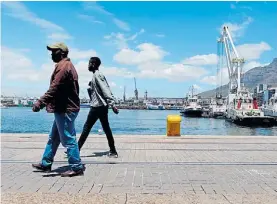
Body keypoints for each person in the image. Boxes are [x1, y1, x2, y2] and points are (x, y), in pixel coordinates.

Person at [32, 42, 85, 177]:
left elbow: (54, 88)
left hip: (66, 109)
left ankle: (76, 166)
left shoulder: (63, 67)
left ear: (61, 52)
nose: (51, 54)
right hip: (63, 108)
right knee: (54, 137)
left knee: (68, 138)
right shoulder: (65, 65)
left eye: (53, 51)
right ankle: (46, 163)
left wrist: (40, 102)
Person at [77, 56, 119, 158]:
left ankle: (76, 150)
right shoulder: (95, 76)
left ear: (94, 64)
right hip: (100, 106)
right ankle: (113, 151)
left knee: (87, 127)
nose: (88, 65)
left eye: (89, 63)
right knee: (106, 128)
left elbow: (105, 89)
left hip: (97, 107)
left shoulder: (97, 75)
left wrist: (112, 104)